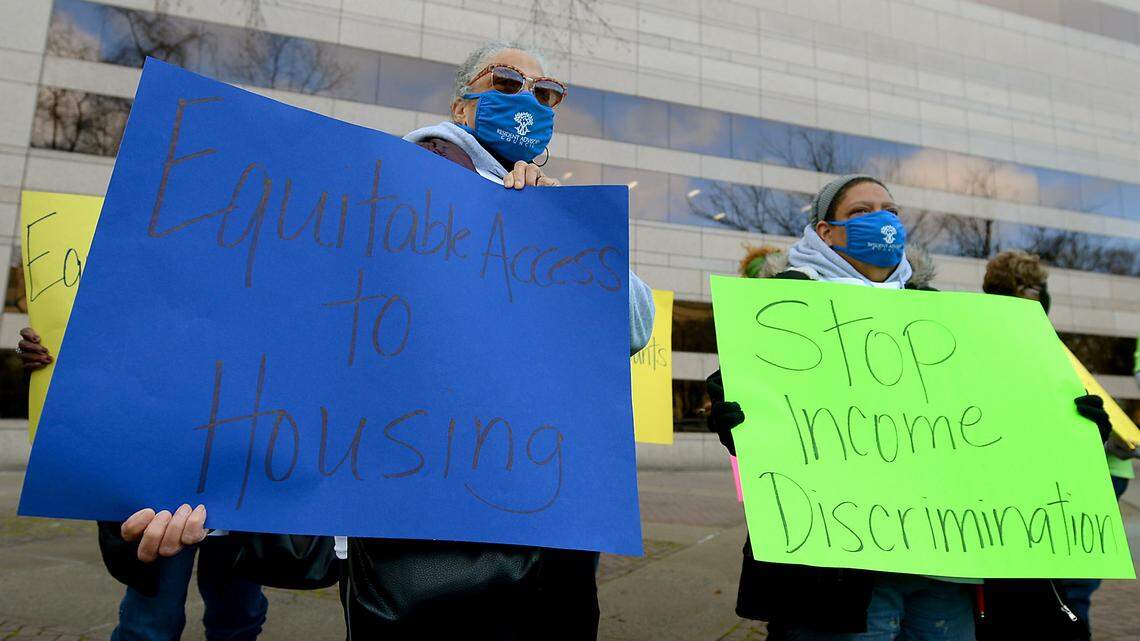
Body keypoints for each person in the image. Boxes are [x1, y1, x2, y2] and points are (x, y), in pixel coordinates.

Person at [57, 40, 654, 640]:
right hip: (425, 574)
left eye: (544, 92)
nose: (528, 100)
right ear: (462, 103)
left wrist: (563, 236)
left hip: (549, 546)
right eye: (505, 83)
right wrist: (173, 477)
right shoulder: (380, 193)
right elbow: (263, 331)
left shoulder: (547, 209)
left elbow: (632, 328)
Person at [705, 174, 1113, 641]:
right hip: (835, 568)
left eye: (890, 210)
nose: (881, 219)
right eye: (861, 211)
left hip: (940, 568)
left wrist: (1069, 424)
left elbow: (987, 417)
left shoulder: (941, 315)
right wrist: (736, 420)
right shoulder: (780, 309)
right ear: (825, 231)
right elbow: (751, 409)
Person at [17, 327, 268, 641]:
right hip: (157, 480)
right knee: (150, 622)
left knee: (238, 615)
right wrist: (48, 359)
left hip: (239, 475)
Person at [980, 250, 1135, 639]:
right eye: (1035, 288)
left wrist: (1090, 428)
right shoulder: (1001, 339)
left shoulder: (1043, 340)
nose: (1043, 297)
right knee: (1062, 586)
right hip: (1042, 483)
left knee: (1071, 584)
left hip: (1092, 472)